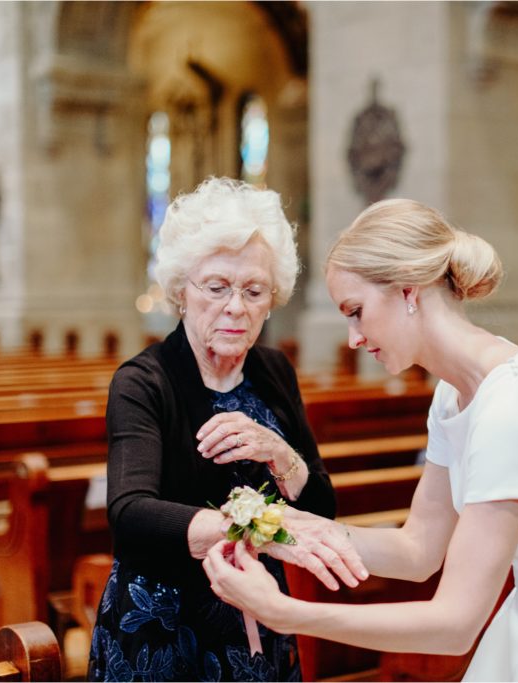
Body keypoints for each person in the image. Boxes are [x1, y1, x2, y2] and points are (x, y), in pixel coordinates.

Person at [203, 198, 518, 681]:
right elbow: (417, 549)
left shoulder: (512, 403)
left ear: (408, 291)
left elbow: (455, 624)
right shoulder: (454, 394)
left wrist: (287, 613)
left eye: (355, 310)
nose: (354, 338)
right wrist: (287, 530)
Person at [89, 178, 356, 682]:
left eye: (254, 290)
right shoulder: (143, 382)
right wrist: (258, 528)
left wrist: (282, 454)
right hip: (164, 624)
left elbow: (320, 508)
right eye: (216, 287)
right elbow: (130, 515)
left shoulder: (274, 371)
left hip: (259, 611)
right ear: (180, 292)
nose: (236, 306)